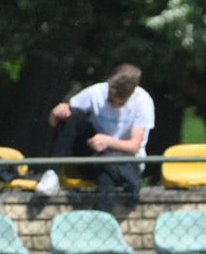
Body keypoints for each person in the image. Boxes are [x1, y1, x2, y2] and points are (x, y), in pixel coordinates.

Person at [37, 63, 155, 213]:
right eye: (111, 99)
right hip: (94, 156)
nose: (115, 104)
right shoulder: (96, 92)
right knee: (73, 115)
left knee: (106, 174)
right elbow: (60, 124)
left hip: (123, 164)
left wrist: (108, 141)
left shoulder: (143, 101)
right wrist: (55, 113)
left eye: (121, 102)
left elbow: (134, 146)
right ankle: (52, 173)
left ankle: (101, 219)